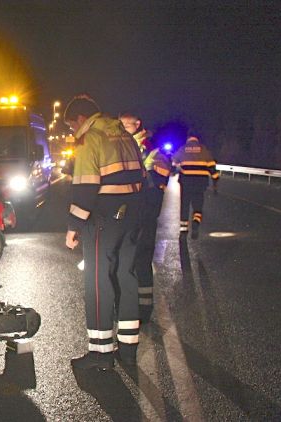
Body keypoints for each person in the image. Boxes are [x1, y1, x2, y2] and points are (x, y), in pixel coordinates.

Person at [64, 95, 145, 370]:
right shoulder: (124, 136)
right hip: (131, 214)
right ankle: (129, 348)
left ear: (80, 119)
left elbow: (85, 189)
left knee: (98, 281)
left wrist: (73, 227)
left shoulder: (90, 140)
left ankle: (100, 354)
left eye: (71, 126)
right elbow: (141, 177)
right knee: (126, 276)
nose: (72, 132)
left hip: (103, 217)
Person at [119, 113, 171, 323]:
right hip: (131, 210)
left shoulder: (150, 148)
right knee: (128, 261)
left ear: (137, 125)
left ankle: (144, 309)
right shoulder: (127, 145)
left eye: (125, 125)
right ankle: (130, 306)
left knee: (141, 259)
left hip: (145, 211)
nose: (121, 129)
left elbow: (158, 177)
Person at [171, 135, 219, 239]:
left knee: (185, 205)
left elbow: (173, 162)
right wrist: (215, 182)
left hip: (186, 182)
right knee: (198, 205)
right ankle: (196, 222)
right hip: (200, 183)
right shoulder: (204, 150)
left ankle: (184, 229)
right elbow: (212, 168)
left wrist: (173, 172)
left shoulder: (183, 149)